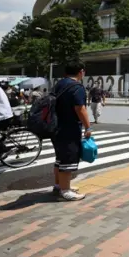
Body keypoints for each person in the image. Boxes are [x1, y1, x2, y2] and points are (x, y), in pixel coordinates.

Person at [52, 61, 90, 201]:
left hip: (55, 127)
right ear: (81, 72)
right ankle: (65, 190)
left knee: (60, 159)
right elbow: (80, 109)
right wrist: (88, 127)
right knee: (68, 158)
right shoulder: (77, 87)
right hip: (69, 128)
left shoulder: (59, 84)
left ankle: (59, 185)